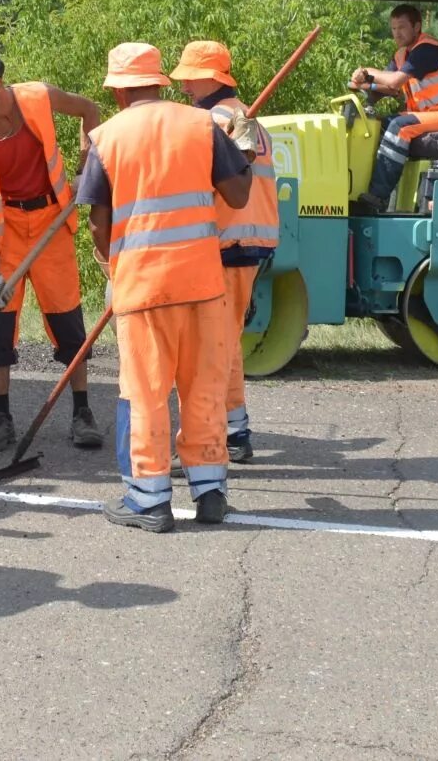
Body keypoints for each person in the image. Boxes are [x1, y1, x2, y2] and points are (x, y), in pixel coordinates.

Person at [76, 43, 252, 533]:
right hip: (202, 281)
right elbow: (238, 196)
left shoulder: (105, 138)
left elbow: (96, 222)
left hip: (144, 285)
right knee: (204, 387)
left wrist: (110, 264)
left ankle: (148, 499)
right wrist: (242, 144)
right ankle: (210, 491)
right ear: (161, 83)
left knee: (145, 392)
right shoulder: (202, 125)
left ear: (117, 91)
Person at [0, 48, 105, 454]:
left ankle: (82, 413)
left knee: (68, 322)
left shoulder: (38, 97)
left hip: (52, 223)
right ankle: (1, 419)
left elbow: (90, 109)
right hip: (6, 231)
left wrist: (89, 154)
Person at [169, 40, 278, 465]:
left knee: (210, 347)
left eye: (189, 78)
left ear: (211, 77)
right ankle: (234, 432)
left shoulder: (217, 119)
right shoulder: (243, 115)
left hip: (226, 241)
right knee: (224, 342)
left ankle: (214, 437)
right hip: (248, 242)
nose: (183, 88)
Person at [348, 4, 438, 212]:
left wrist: (367, 72)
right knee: (381, 124)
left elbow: (395, 81)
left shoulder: (428, 49)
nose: (397, 33)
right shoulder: (401, 55)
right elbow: (386, 87)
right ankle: (361, 189)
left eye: (402, 27)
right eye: (394, 28)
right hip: (431, 115)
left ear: (417, 27)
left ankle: (378, 197)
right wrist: (362, 86)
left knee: (400, 127)